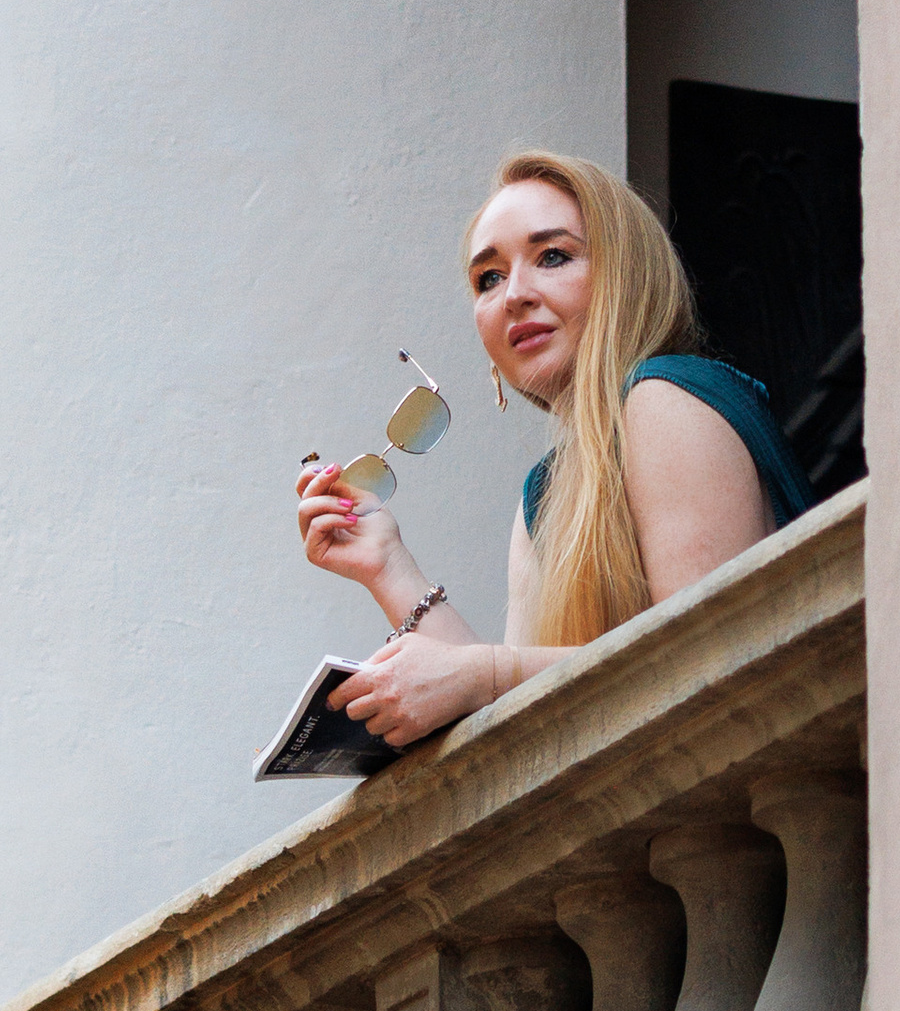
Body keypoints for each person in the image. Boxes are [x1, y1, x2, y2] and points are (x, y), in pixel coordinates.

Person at [297, 149, 814, 751]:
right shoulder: (542, 496)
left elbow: (700, 657)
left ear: (626, 274)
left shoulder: (664, 398)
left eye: (552, 257)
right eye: (489, 278)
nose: (514, 294)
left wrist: (485, 673)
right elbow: (514, 727)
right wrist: (388, 566)